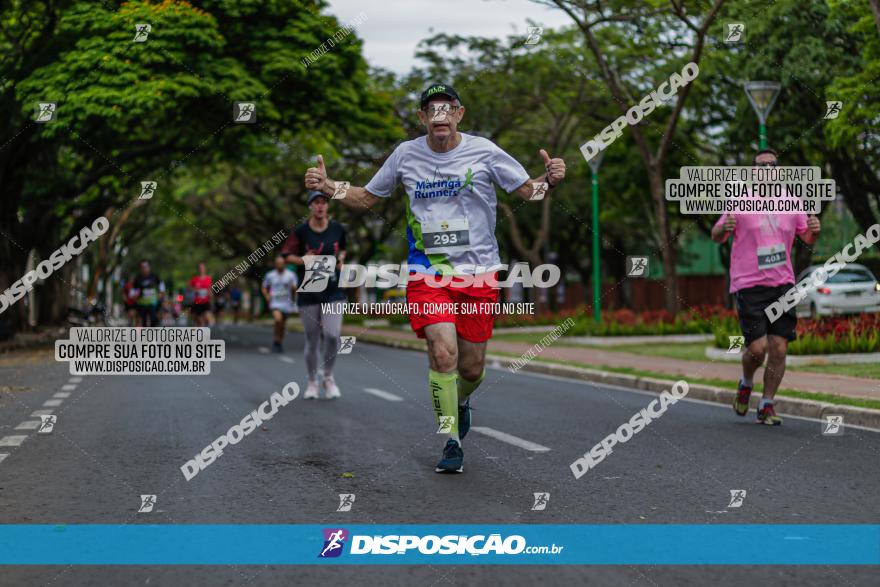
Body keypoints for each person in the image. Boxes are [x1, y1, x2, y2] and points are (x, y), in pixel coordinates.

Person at [304, 83, 566, 472]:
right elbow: (367, 197)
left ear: (460, 114)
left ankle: (460, 405)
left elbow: (530, 192)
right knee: (443, 353)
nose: (440, 115)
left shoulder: (485, 151)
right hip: (427, 272)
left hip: (478, 274)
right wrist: (330, 187)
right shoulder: (405, 155)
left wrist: (551, 180)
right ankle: (450, 440)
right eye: (432, 109)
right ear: (422, 117)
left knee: (472, 368)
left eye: (448, 108)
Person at [711, 148, 820, 426]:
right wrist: (725, 228)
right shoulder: (740, 201)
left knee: (779, 349)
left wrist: (813, 230)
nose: (767, 170)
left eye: (772, 165)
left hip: (782, 284)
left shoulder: (791, 202)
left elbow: (806, 238)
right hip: (749, 284)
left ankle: (767, 404)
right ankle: (746, 382)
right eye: (761, 166)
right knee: (757, 349)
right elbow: (716, 236)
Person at [281, 191, 348, 400]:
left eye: (323, 203)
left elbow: (343, 249)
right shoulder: (300, 232)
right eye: (316, 203)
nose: (320, 206)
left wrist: (342, 260)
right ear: (310, 206)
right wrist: (303, 260)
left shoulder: (338, 229)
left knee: (332, 335)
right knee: (312, 339)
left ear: (328, 206)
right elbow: (286, 257)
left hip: (333, 290)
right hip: (309, 290)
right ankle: (312, 381)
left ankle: (328, 377)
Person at [261, 255, 298, 353]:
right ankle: (276, 340)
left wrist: (294, 296)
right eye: (278, 263)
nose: (280, 265)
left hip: (286, 303)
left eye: (282, 263)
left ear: (284, 264)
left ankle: (279, 342)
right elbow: (264, 287)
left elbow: (295, 288)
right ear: (275, 264)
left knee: (282, 324)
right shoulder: (270, 275)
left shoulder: (291, 275)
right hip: (275, 302)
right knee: (278, 320)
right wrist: (267, 296)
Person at [131, 260, 164, 327]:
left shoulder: (154, 276)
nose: (144, 269)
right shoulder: (137, 278)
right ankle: (145, 336)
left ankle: (152, 335)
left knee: (153, 320)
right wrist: (134, 296)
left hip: (153, 303)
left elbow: (161, 286)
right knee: (143, 322)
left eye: (146, 267)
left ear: (149, 267)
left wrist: (161, 293)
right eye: (142, 267)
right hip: (141, 304)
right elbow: (133, 290)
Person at [188, 263, 214, 327]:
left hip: (205, 302)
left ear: (205, 269)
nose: (201, 269)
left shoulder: (208, 279)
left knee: (208, 318)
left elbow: (210, 290)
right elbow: (189, 288)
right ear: (198, 269)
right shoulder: (195, 279)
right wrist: (195, 290)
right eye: (200, 268)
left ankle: (206, 328)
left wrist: (210, 295)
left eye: (202, 268)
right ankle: (200, 332)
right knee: (198, 321)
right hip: (197, 302)